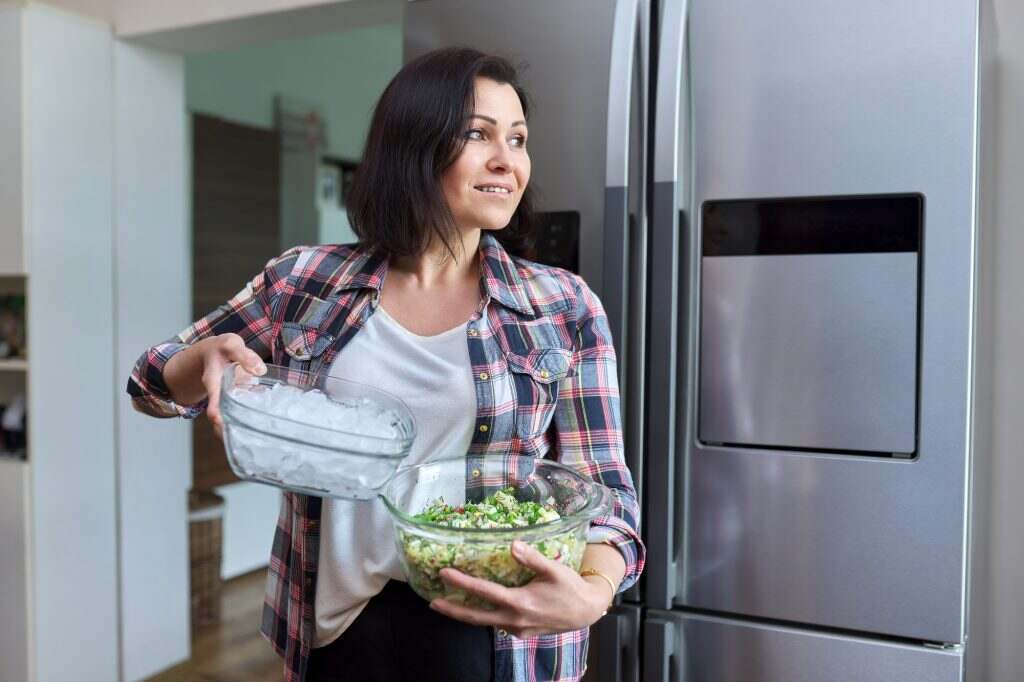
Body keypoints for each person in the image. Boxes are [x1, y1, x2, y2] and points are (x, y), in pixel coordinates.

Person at [127, 47, 644, 682]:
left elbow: (608, 492)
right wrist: (202, 360)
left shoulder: (561, 305)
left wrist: (592, 593)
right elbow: (149, 384)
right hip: (339, 631)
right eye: (478, 135)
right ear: (415, 148)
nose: (508, 162)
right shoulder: (305, 281)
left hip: (500, 636)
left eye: (518, 139)